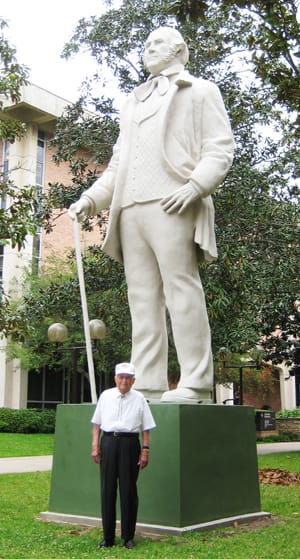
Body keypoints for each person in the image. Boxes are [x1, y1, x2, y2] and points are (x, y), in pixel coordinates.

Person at [69, 27, 234, 403]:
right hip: (129, 208)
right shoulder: (132, 102)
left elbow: (220, 148)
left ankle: (195, 380)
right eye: (144, 44)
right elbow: (117, 165)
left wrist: (194, 186)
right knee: (141, 298)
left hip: (173, 201)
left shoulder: (201, 91)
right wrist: (90, 200)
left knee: (181, 289)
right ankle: (146, 381)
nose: (147, 49)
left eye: (156, 43)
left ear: (179, 49)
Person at [91, 362, 156, 549]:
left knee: (128, 490)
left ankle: (128, 537)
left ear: (133, 380)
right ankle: (108, 538)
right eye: (121, 377)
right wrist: (95, 445)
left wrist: (145, 450)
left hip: (130, 444)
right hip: (109, 442)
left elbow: (146, 427)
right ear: (115, 379)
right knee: (107, 490)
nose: (124, 381)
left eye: (128, 378)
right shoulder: (106, 396)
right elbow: (97, 424)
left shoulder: (139, 398)